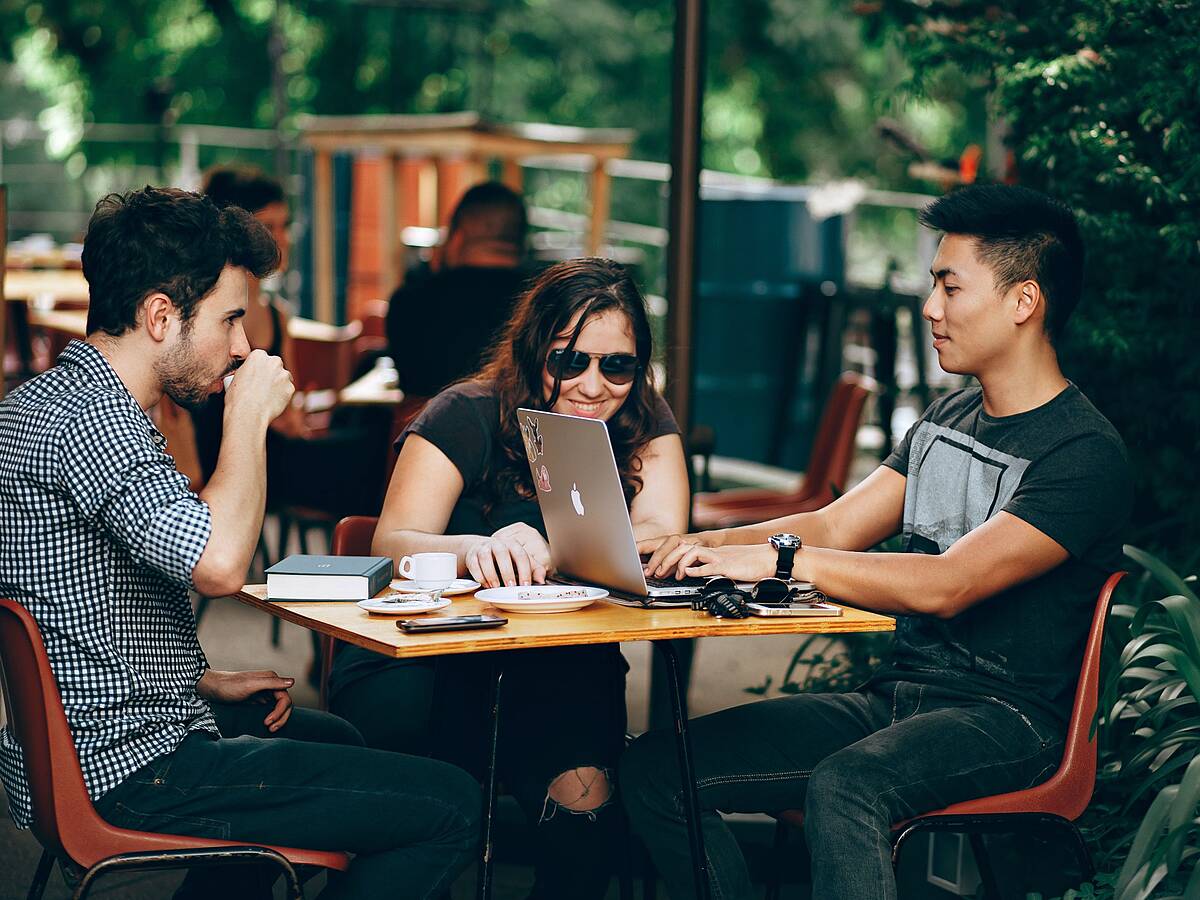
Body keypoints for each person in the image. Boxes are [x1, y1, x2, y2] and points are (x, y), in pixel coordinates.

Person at [624, 184, 1132, 900]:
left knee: (846, 787)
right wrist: (694, 545)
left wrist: (767, 560)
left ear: (1023, 302)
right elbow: (835, 525)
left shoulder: (1082, 452)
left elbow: (949, 583)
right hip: (897, 699)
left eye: (950, 287)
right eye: (933, 285)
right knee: (658, 772)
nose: (931, 308)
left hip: (1009, 721)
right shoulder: (949, 414)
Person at [0, 186, 480, 899]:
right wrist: (248, 415)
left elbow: (73, 599)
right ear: (160, 315)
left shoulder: (42, 402)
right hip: (130, 766)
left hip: (75, 743)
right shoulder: (96, 422)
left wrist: (193, 681)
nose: (244, 346)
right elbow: (220, 565)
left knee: (338, 742)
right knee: (451, 806)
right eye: (229, 320)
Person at [331, 258, 691, 899]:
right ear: (534, 354)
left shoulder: (642, 420)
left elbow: (661, 536)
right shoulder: (464, 412)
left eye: (617, 364)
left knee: (587, 817)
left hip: (555, 660)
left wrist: (551, 548)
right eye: (568, 361)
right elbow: (389, 544)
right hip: (428, 654)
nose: (592, 384)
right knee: (436, 809)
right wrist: (478, 547)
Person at [192, 164, 388, 520]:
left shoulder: (278, 316)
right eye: (268, 227)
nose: (280, 240)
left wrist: (292, 413)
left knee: (375, 434)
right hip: (229, 458)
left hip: (277, 454)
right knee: (373, 453)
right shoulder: (201, 313)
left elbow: (290, 408)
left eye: (284, 227)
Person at [385, 181, 531, 397]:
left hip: (426, 429)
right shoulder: (542, 302)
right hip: (516, 429)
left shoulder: (409, 302)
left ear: (457, 237)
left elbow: (409, 384)